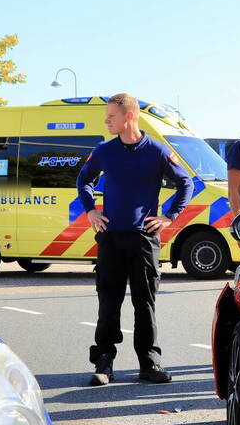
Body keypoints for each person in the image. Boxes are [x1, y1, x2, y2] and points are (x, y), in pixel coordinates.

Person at [77, 93, 193, 386]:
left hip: (144, 239)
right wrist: (91, 210)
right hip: (111, 238)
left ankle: (149, 363)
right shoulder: (104, 151)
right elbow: (84, 179)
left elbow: (186, 182)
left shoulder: (157, 151)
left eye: (111, 116)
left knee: (145, 304)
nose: (106, 121)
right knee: (108, 302)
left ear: (129, 116)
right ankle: (104, 363)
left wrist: (169, 216)